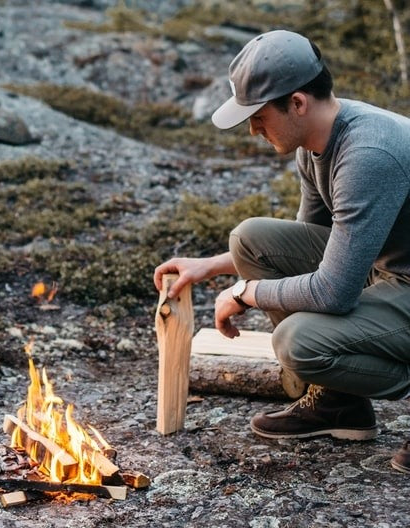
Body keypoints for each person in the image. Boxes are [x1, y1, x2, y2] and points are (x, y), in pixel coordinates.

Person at [154, 30, 410, 473]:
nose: (252, 128)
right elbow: (310, 239)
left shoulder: (367, 154)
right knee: (251, 238)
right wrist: (212, 267)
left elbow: (333, 292)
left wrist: (243, 294)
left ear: (297, 102)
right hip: (389, 271)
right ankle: (338, 406)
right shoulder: (316, 144)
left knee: (298, 342)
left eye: (258, 115)